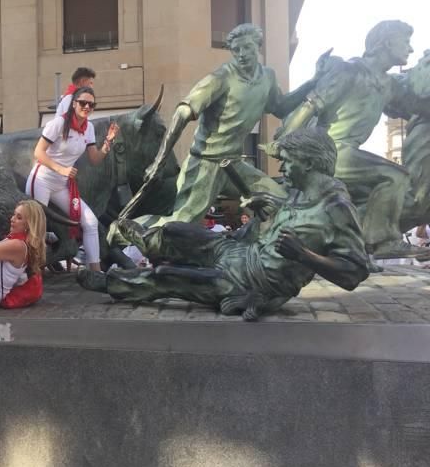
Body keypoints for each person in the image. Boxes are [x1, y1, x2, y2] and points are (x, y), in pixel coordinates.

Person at [83, 128, 369, 321]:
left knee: (167, 276)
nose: (282, 169)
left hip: (249, 282)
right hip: (237, 251)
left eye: (286, 162)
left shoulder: (336, 208)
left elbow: (354, 273)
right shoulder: (299, 193)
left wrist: (303, 255)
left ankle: (112, 283)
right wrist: (265, 209)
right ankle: (137, 236)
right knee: (175, 231)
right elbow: (286, 222)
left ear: (308, 163)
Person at [113, 23, 326, 234]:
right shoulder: (221, 78)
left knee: (279, 201)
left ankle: (256, 253)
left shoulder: (267, 77)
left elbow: (279, 107)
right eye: (236, 50)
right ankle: (122, 233)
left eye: (247, 48)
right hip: (204, 163)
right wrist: (158, 162)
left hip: (233, 163)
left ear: (258, 47)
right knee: (181, 222)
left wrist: (312, 82)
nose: (241, 54)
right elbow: (182, 113)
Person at [277, 20, 430, 261]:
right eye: (406, 42)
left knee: (379, 192)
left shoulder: (387, 84)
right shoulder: (349, 70)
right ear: (387, 42)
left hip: (347, 153)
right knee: (395, 176)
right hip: (328, 151)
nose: (410, 49)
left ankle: (348, 243)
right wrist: (285, 142)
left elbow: (415, 102)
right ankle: (381, 242)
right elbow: (310, 106)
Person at [26, 86, 119, 271]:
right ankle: (30, 273)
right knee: (37, 229)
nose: (87, 107)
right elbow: (38, 152)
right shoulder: (59, 124)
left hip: (61, 185)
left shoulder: (89, 128)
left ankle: (96, 272)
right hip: (42, 180)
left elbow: (94, 159)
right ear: (74, 104)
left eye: (91, 104)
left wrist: (108, 143)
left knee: (90, 222)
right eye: (83, 103)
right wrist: (61, 169)